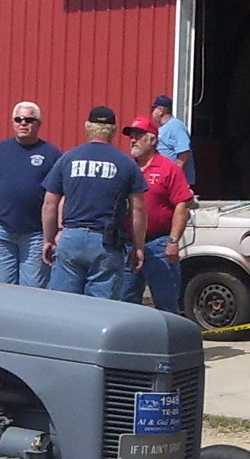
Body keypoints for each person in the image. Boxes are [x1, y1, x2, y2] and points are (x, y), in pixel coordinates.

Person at [41, 106, 148, 299]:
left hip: (71, 238)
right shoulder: (126, 163)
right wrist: (138, 246)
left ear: (87, 127)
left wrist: (49, 239)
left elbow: (50, 203)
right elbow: (138, 209)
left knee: (63, 305)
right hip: (106, 243)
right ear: (114, 130)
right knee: (101, 309)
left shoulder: (68, 158)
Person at [0, 101, 61, 287]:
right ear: (13, 123)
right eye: (18, 119)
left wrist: (55, 231)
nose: (23, 123)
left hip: (37, 235)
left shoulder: (52, 154)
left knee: (33, 289)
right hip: (2, 231)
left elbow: (60, 195)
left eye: (29, 119)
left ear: (38, 124)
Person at [119, 117, 193, 313]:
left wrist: (173, 241)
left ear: (152, 140)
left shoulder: (169, 169)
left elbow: (182, 205)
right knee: (125, 302)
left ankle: (171, 343)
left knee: (166, 302)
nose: (133, 140)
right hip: (128, 244)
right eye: (131, 136)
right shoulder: (125, 167)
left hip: (159, 244)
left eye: (138, 136)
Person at [150, 95, 196, 188]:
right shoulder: (164, 127)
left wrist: (174, 174)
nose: (151, 113)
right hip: (166, 181)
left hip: (176, 183)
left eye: (153, 109)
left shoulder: (175, 126)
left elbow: (184, 152)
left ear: (160, 110)